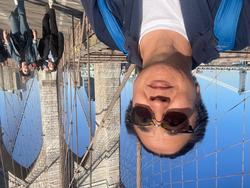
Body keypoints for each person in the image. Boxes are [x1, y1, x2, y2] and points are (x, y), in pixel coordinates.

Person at [81, 0, 250, 157]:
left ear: (133, 103)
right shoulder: (240, 23)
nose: (158, 105)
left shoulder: (107, 26)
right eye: (175, 121)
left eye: (143, 116)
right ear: (197, 97)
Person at [3, 0, 38, 77]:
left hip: (15, 36)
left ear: (21, 69)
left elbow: (10, 48)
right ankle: (20, 3)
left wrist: (6, 38)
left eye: (25, 70)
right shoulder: (32, 58)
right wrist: (35, 36)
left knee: (12, 17)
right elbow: (34, 47)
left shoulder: (15, 59)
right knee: (22, 16)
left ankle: (17, 6)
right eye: (28, 70)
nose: (26, 68)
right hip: (25, 35)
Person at [37, 0, 64, 72]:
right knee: (52, 21)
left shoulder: (44, 58)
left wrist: (41, 41)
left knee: (44, 21)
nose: (50, 65)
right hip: (54, 36)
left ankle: (47, 11)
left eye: (49, 66)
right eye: (52, 66)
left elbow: (40, 49)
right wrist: (60, 36)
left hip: (45, 37)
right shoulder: (57, 57)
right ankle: (51, 6)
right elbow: (61, 46)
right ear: (54, 64)